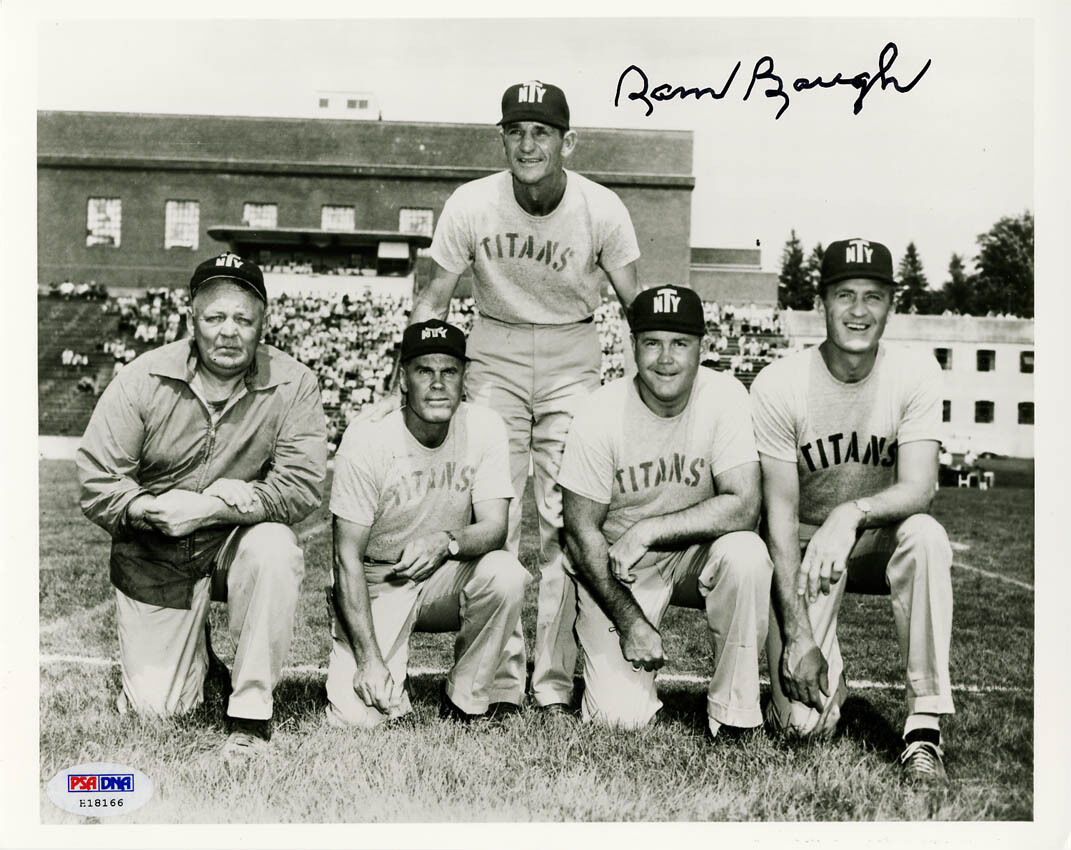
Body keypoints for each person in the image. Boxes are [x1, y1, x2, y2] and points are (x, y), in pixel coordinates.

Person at [362, 80, 641, 711]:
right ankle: (502, 681)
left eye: (541, 131)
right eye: (515, 131)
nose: (527, 143)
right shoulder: (472, 203)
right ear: (503, 138)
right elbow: (432, 299)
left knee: (570, 515)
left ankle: (555, 681)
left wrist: (632, 385)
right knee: (501, 512)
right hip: (493, 343)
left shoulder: (602, 208)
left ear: (568, 140)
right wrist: (400, 374)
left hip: (572, 348)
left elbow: (635, 308)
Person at [77, 252, 327, 759]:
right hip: (156, 545)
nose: (228, 332)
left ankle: (251, 712)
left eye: (243, 318)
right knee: (159, 712)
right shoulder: (143, 377)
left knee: (276, 549)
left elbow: (301, 484)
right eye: (214, 317)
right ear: (192, 317)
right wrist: (150, 507)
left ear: (263, 322)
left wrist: (213, 508)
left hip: (233, 537)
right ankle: (202, 659)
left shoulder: (294, 382)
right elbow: (96, 478)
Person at [750, 237, 954, 782]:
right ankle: (827, 677)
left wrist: (852, 513)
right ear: (822, 302)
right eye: (845, 295)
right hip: (805, 546)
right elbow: (777, 517)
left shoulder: (915, 373)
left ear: (892, 305)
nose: (858, 311)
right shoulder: (779, 383)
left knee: (927, 535)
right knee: (801, 727)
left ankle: (924, 726)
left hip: (875, 538)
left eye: (873, 296)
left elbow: (919, 487)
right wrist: (798, 637)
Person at [557, 285, 773, 734]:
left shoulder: (725, 395)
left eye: (680, 343)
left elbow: (745, 505)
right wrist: (630, 620)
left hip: (697, 553)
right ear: (632, 346)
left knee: (746, 553)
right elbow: (580, 536)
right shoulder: (599, 414)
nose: (666, 358)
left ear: (703, 347)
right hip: (621, 568)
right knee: (618, 720)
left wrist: (650, 529)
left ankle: (734, 714)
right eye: (652, 342)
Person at [327, 320, 529, 727]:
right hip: (377, 578)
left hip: (444, 573)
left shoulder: (484, 426)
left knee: (506, 573)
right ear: (403, 378)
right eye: (424, 371)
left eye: (449, 371)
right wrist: (369, 660)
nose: (438, 383)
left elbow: (495, 527)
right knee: (359, 718)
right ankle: (371, 663)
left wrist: (445, 541)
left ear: (463, 378)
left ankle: (465, 695)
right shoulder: (368, 437)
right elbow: (344, 555)